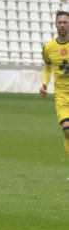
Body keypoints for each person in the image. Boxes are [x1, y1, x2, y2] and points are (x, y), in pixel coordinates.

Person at [39, 10, 69, 161]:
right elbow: (47, 66)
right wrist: (45, 83)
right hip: (62, 96)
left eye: (65, 22)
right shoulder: (49, 48)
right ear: (56, 25)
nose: (62, 25)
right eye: (60, 22)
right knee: (66, 130)